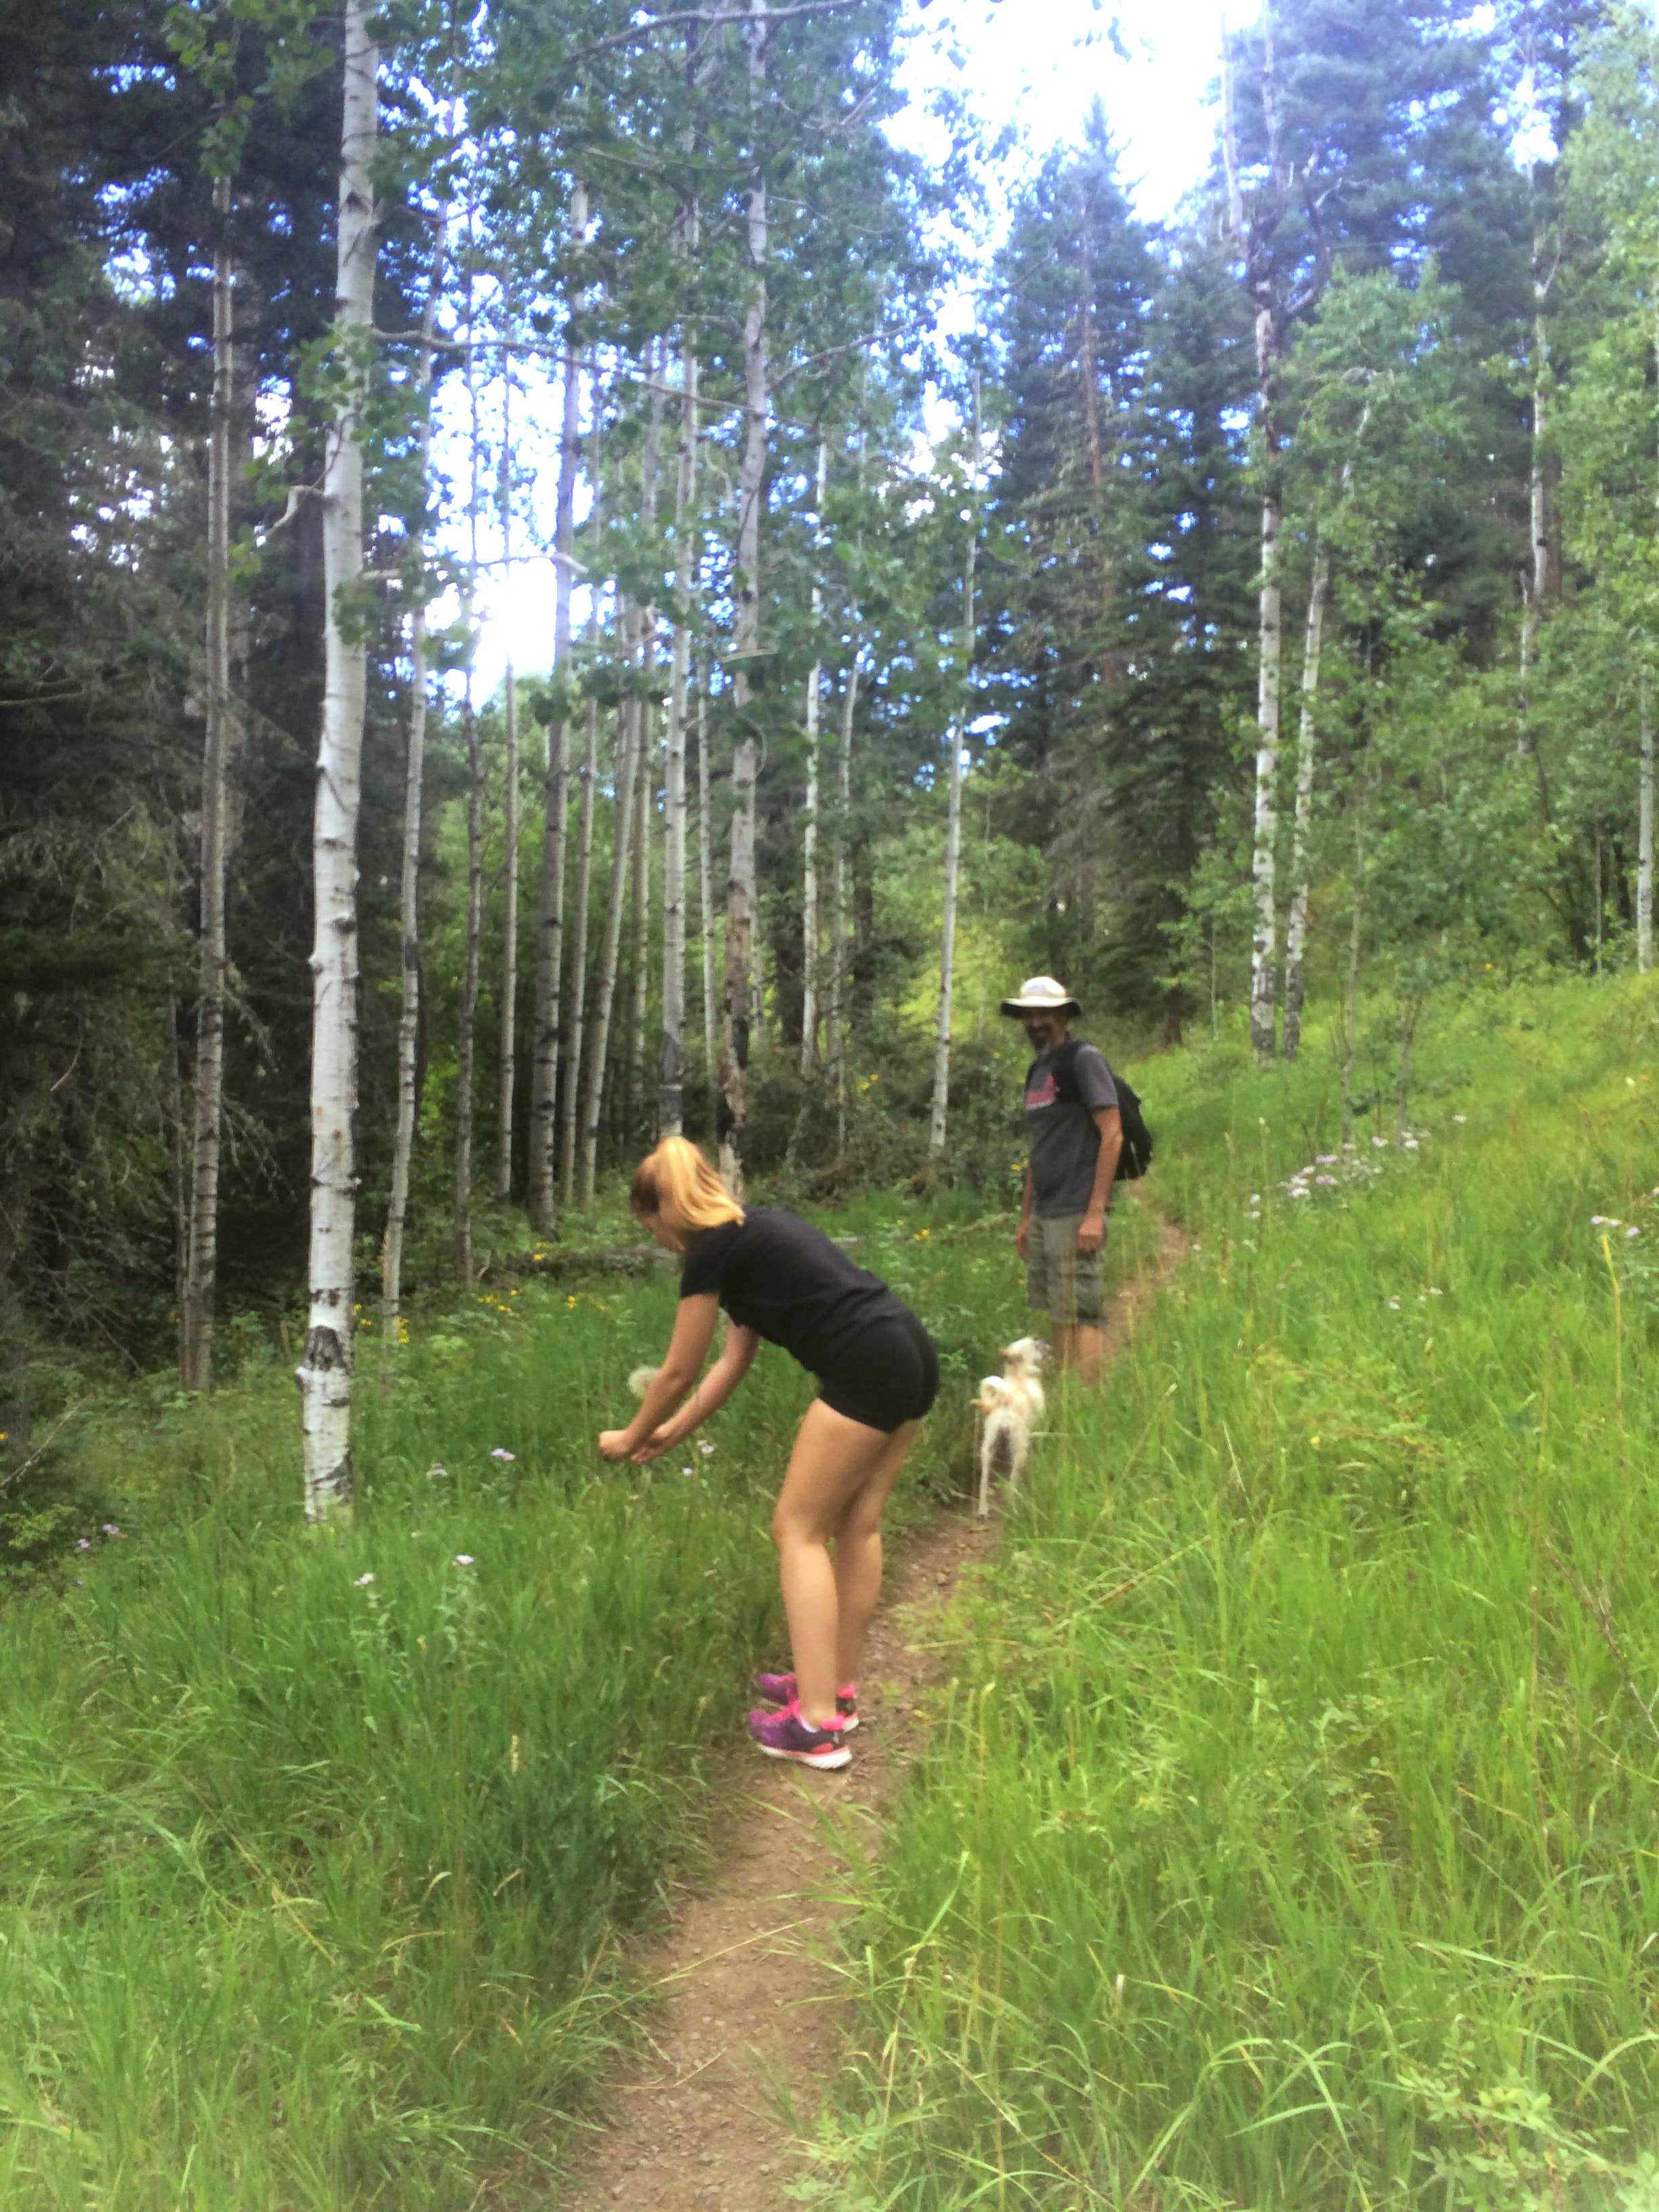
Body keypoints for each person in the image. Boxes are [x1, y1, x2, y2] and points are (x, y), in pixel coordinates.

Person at [597, 1136, 939, 1771]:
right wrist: (674, 1429)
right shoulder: (755, 1230)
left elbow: (678, 1369)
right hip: (908, 1350)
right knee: (857, 1525)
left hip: (866, 1364)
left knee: (797, 1530)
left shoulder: (710, 1253)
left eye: (651, 1228)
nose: (660, 1242)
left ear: (662, 1211)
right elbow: (733, 1360)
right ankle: (832, 1689)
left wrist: (632, 1435)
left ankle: (815, 1727)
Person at [1001, 974, 1122, 1385]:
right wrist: (1024, 1219)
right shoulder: (1037, 1071)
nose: (1035, 1022)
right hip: (1045, 1210)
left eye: (1043, 1014)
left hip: (1076, 1206)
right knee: (1057, 1304)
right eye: (1028, 1015)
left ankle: (1091, 1408)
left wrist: (1094, 1213)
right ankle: (1067, 1398)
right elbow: (1038, 1149)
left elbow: (1113, 1133)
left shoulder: (1083, 1059)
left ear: (1062, 1015)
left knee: (1082, 1308)